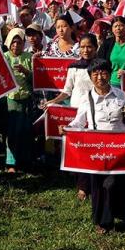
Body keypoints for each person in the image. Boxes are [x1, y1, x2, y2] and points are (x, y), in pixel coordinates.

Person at [64, 58, 125, 234]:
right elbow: (79, 122)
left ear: (109, 74)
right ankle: (104, 222)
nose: (99, 77)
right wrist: (68, 129)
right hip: (99, 149)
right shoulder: (87, 98)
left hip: (122, 148)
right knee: (102, 186)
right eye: (95, 74)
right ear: (90, 77)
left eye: (103, 73)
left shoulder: (120, 94)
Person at [44, 34, 98, 200]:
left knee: (93, 149)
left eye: (89, 46)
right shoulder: (74, 67)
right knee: (78, 149)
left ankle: (94, 184)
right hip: (77, 112)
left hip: (96, 113)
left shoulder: (101, 66)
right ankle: (82, 186)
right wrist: (52, 101)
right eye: (82, 47)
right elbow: (67, 90)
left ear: (96, 48)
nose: (86, 50)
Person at [3, 28, 34, 172]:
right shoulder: (4, 57)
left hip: (27, 97)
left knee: (26, 130)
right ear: (9, 43)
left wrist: (26, 71)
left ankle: (25, 160)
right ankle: (11, 163)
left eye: (19, 42)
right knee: (12, 131)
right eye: (13, 42)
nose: (16, 46)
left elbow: (36, 78)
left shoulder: (29, 57)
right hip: (11, 99)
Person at [97, 16, 125, 88]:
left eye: (121, 25)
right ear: (112, 29)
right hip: (110, 84)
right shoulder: (106, 44)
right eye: (115, 26)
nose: (118, 28)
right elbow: (100, 63)